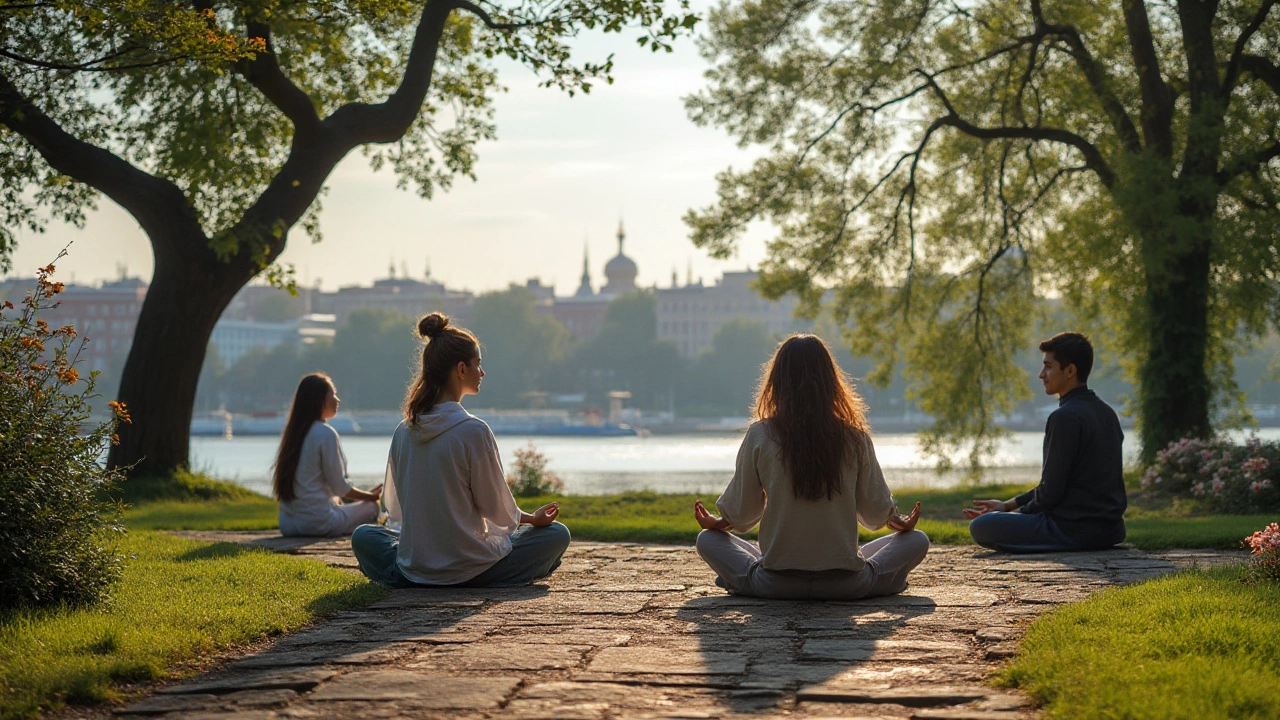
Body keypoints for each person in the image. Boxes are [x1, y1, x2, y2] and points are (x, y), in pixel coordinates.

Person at [692, 334, 930, 600]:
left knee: (707, 540)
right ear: (831, 382)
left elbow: (743, 512)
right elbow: (875, 514)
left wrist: (719, 522)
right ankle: (882, 583)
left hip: (776, 584)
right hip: (846, 585)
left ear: (777, 383)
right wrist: (897, 520)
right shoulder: (855, 438)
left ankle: (742, 581)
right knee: (917, 540)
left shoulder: (760, 435)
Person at [350, 312, 570, 588]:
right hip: (473, 567)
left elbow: (397, 513)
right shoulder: (473, 431)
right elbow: (497, 512)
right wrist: (531, 519)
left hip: (416, 568)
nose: (482, 372)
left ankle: (418, 576)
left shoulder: (404, 431)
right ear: (461, 369)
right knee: (556, 535)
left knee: (363, 537)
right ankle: (484, 576)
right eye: (478, 364)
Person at [964, 332, 1127, 553]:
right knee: (995, 519)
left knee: (982, 526)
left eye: (1048, 367)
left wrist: (1017, 515)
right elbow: (1056, 484)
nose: (1041, 375)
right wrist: (1008, 505)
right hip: (1111, 530)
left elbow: (1051, 492)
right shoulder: (1107, 413)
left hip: (1070, 530)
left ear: (1070, 371)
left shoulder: (1064, 418)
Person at [273, 373, 383, 537]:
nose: (337, 400)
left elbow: (335, 490)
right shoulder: (325, 433)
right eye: (332, 394)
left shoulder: (293, 433)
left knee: (355, 505)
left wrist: (361, 497)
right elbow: (339, 487)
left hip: (288, 524)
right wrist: (371, 497)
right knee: (372, 507)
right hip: (319, 523)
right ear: (319, 400)